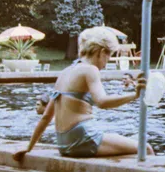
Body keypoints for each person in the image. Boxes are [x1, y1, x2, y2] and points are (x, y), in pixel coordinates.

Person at [13, 27, 154, 162]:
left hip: (64, 144)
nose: (107, 62)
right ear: (101, 52)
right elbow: (102, 102)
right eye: (109, 56)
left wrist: (29, 147)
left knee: (131, 139)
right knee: (146, 149)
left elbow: (46, 117)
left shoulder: (65, 72)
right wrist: (135, 95)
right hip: (82, 139)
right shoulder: (90, 70)